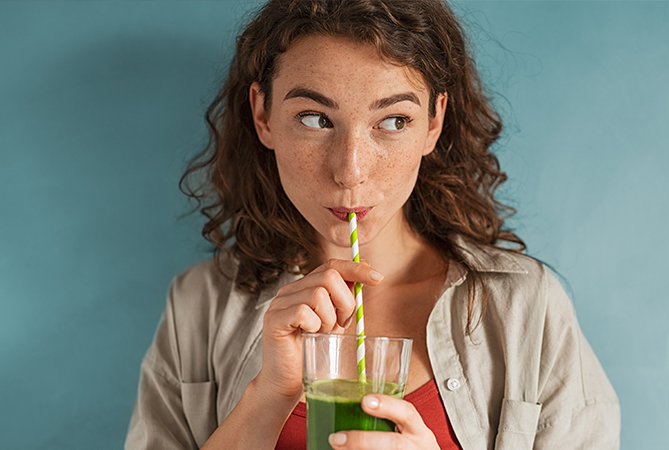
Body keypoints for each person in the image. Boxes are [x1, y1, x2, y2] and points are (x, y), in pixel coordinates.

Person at [125, 0, 620, 449]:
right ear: (263, 115)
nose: (351, 170)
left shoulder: (526, 308)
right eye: (315, 119)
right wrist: (267, 395)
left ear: (433, 122)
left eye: (393, 120)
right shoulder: (198, 307)